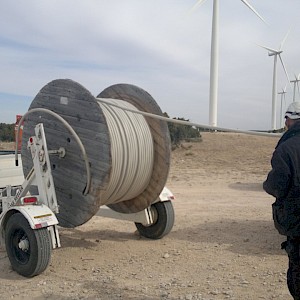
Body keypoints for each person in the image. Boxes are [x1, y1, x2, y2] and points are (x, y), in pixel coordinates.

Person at [264, 101, 300, 300]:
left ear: (290, 119)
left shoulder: (286, 149)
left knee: (297, 276)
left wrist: (266, 185)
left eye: (286, 119)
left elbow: (276, 184)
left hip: (296, 221)